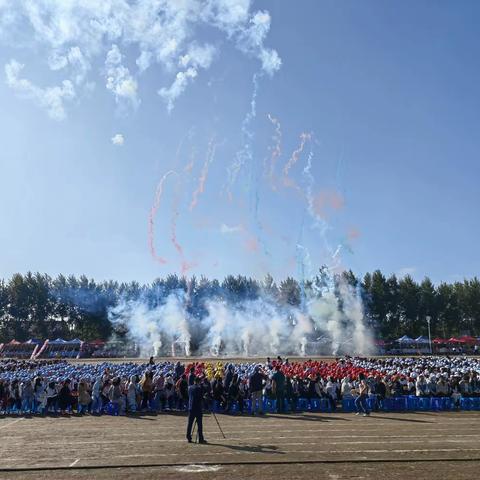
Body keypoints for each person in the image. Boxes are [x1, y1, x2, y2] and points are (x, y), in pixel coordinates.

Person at [186, 376, 206, 444]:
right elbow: (201, 398)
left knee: (190, 424)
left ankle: (188, 437)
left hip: (191, 407)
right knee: (199, 424)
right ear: (199, 382)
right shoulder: (199, 388)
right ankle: (200, 438)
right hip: (197, 408)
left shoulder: (189, 387)